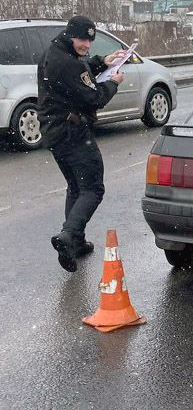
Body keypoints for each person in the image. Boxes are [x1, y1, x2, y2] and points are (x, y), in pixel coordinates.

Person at [38, 16, 127, 272]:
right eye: (82, 39)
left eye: (90, 41)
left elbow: (81, 70)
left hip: (55, 132)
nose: (86, 45)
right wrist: (113, 82)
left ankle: (75, 242)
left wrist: (103, 62)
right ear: (70, 35)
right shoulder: (66, 63)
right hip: (73, 133)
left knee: (76, 187)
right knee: (93, 188)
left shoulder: (55, 51)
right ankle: (68, 236)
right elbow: (94, 97)